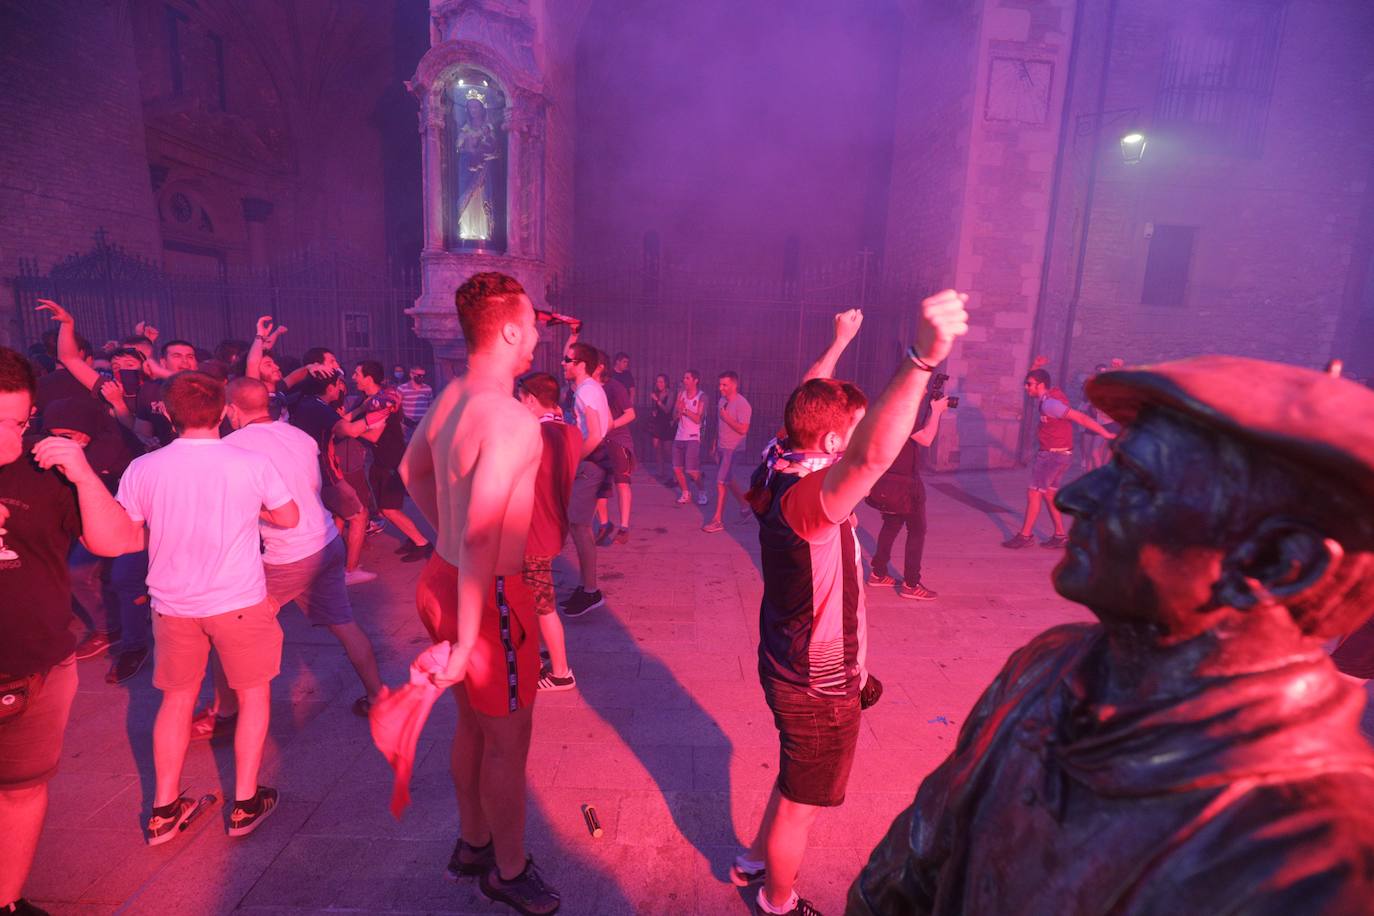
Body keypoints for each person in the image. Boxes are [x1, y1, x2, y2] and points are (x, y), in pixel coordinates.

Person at [850, 355, 1374, 915]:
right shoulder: (1048, 667)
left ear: (1281, 563)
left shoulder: (1316, 854)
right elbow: (901, 876)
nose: (1076, 498)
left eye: (1136, 479)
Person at [732, 291, 970, 916]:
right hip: (817, 682)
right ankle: (778, 901)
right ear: (835, 438)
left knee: (795, 778)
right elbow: (871, 456)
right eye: (856, 426)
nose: (863, 433)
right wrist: (920, 361)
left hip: (790, 658)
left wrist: (838, 342)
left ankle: (753, 860)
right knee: (802, 805)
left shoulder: (781, 456)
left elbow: (808, 395)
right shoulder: (811, 498)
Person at [47, 372, 300, 845]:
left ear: (166, 412)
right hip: (239, 601)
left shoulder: (145, 468)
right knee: (253, 698)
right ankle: (245, 803)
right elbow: (289, 517)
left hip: (172, 605)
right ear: (223, 413)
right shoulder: (250, 462)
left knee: (176, 701)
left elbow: (128, 532)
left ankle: (163, 810)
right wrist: (252, 511)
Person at [398, 271, 559, 914]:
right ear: (512, 331)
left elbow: (411, 471)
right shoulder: (514, 420)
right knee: (507, 744)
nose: (539, 335)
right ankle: (509, 872)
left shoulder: (452, 394)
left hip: (444, 577)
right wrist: (469, 643)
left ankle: (472, 844)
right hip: (488, 598)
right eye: (534, 324)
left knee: (471, 723)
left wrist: (446, 531)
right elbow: (481, 537)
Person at [222, 378, 383, 716]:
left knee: (231, 626)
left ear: (232, 409)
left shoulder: (232, 446)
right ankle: (378, 697)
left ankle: (227, 712)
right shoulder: (300, 436)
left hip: (287, 554)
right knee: (344, 623)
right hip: (326, 541)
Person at [0, 348, 88, 916]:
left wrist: (83, 474)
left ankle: (7, 900)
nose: (8, 436)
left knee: (22, 789)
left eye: (17, 421)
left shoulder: (44, 470)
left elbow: (113, 540)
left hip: (38, 666)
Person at [516, 372, 582, 692]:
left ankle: (560, 672)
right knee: (535, 601)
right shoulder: (572, 433)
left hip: (534, 532)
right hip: (554, 526)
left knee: (544, 606)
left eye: (520, 399)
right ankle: (542, 653)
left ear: (530, 399)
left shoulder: (532, 436)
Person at [1002, 368, 1116, 549]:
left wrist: (1106, 433)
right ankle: (1060, 535)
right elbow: (1038, 378)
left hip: (1053, 456)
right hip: (1058, 454)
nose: (1026, 387)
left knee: (1034, 493)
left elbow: (1081, 418)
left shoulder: (1050, 404)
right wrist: (1035, 366)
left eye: (1029, 384)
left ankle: (1025, 536)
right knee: (1049, 494)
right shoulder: (1046, 399)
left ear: (1040, 385)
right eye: (1026, 383)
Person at [289, 372, 377, 585]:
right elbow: (351, 430)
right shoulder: (320, 407)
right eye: (338, 384)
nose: (341, 388)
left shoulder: (304, 402)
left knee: (336, 517)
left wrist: (360, 410)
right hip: (325, 472)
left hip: (307, 470)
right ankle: (350, 571)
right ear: (329, 387)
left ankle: (331, 567)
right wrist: (380, 412)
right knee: (359, 514)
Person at [866, 394, 950, 600]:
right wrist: (937, 412)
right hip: (906, 486)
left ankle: (878, 573)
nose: (924, 393)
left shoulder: (886, 413)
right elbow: (926, 439)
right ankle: (911, 584)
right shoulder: (903, 415)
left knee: (891, 525)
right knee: (917, 531)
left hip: (889, 482)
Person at [352, 361, 433, 561]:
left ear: (369, 378)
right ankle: (414, 539)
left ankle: (422, 543)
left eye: (357, 374)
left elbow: (374, 436)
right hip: (381, 461)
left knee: (389, 509)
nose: (353, 377)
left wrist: (349, 429)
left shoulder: (382, 402)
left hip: (391, 461)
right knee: (384, 509)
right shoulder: (371, 399)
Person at [560, 342, 610, 618]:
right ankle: (585, 586)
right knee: (579, 527)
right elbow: (608, 423)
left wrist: (573, 460)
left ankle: (591, 591)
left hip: (588, 466)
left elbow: (596, 434)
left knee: (580, 527)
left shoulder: (586, 391)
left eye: (568, 360)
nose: (564, 364)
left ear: (581, 365)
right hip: (592, 465)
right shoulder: (591, 388)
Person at [703, 370, 752, 533]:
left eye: (724, 385)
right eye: (720, 384)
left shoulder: (743, 404)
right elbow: (720, 424)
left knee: (721, 482)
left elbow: (743, 429)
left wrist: (727, 418)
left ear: (734, 385)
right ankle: (746, 507)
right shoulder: (722, 401)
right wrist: (715, 443)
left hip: (733, 449)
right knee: (728, 480)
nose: (721, 388)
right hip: (722, 447)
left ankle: (717, 520)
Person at [595, 354, 635, 546]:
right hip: (598, 441)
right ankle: (604, 524)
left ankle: (624, 528)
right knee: (598, 485)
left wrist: (611, 425)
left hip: (618, 440)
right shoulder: (590, 388)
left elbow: (631, 414)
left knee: (622, 483)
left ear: (600, 366)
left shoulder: (615, 387)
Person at [672, 369, 707, 506]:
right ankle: (685, 492)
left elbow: (698, 419)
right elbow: (674, 416)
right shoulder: (681, 394)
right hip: (679, 436)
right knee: (677, 468)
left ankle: (702, 491)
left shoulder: (702, 397)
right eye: (684, 378)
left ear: (695, 380)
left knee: (691, 470)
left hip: (693, 437)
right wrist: (678, 411)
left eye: (687, 378)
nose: (684, 380)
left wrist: (685, 410)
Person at [647, 373, 675, 476]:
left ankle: (676, 471)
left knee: (668, 450)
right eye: (658, 382)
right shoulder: (656, 393)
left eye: (661, 382)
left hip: (667, 423)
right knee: (657, 448)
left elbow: (667, 409)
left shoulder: (670, 393)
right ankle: (660, 472)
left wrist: (657, 400)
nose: (659, 384)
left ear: (666, 383)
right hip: (657, 423)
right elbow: (656, 408)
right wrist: (654, 412)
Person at [398, 366, 434, 439]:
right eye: (419, 375)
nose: (421, 378)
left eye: (423, 376)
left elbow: (431, 406)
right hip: (408, 425)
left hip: (423, 424)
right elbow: (397, 407)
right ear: (411, 375)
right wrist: (400, 423)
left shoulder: (428, 389)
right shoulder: (402, 389)